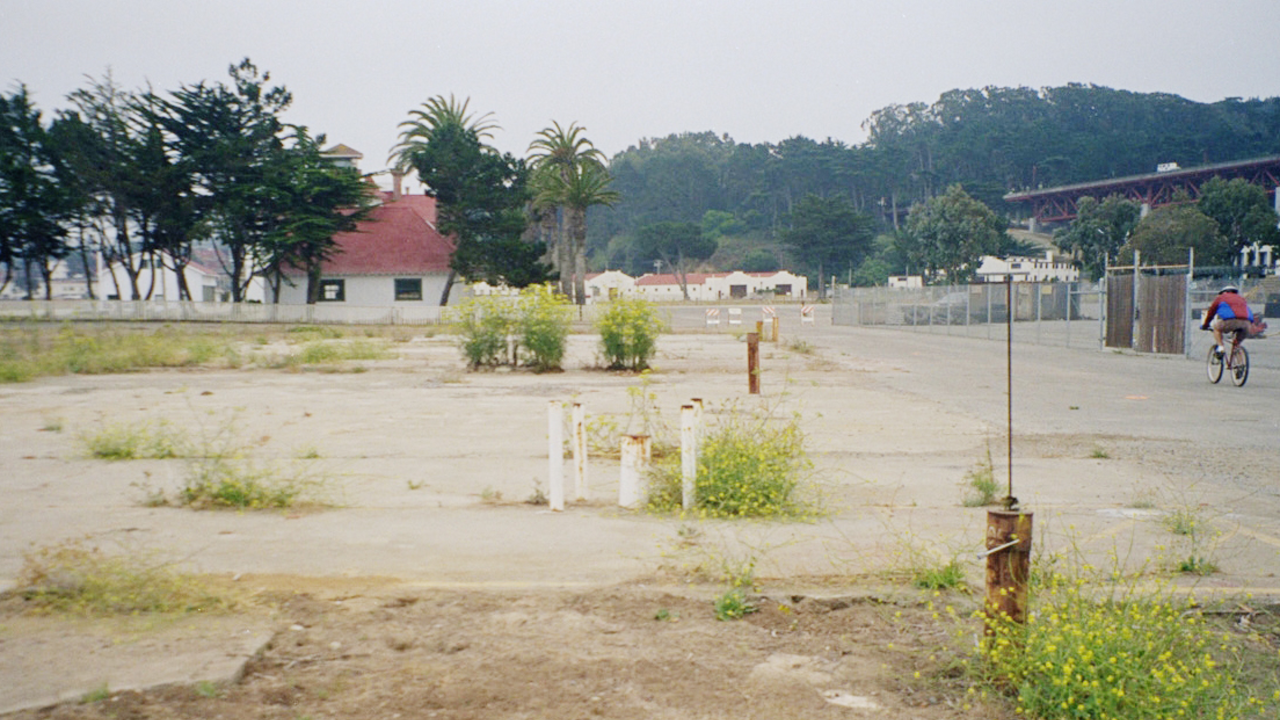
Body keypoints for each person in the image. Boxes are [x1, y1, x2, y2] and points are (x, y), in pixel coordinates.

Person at [1200, 285, 1254, 356]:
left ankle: (1221, 347)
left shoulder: (1220, 298)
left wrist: (1205, 324)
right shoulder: (1242, 299)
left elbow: (1211, 313)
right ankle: (1239, 360)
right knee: (1236, 345)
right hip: (1247, 323)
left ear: (1223, 292)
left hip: (1231, 321)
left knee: (1217, 328)